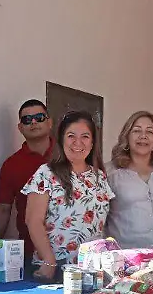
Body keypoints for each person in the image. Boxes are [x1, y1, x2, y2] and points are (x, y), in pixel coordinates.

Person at [22, 111, 114, 281]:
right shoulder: (46, 173)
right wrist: (49, 261)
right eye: (71, 136)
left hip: (93, 272)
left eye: (85, 136)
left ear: (92, 142)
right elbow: (33, 220)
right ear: (61, 139)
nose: (78, 142)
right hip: (56, 271)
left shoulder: (99, 176)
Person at [105, 111, 153, 253]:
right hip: (123, 256)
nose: (143, 136)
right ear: (127, 136)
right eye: (136, 130)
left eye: (149, 131)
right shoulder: (109, 172)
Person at [0, 99, 54, 262]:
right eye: (27, 120)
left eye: (39, 117)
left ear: (49, 123)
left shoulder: (69, 156)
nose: (33, 122)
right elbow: (3, 209)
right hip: (29, 253)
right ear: (20, 128)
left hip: (72, 250)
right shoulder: (11, 165)